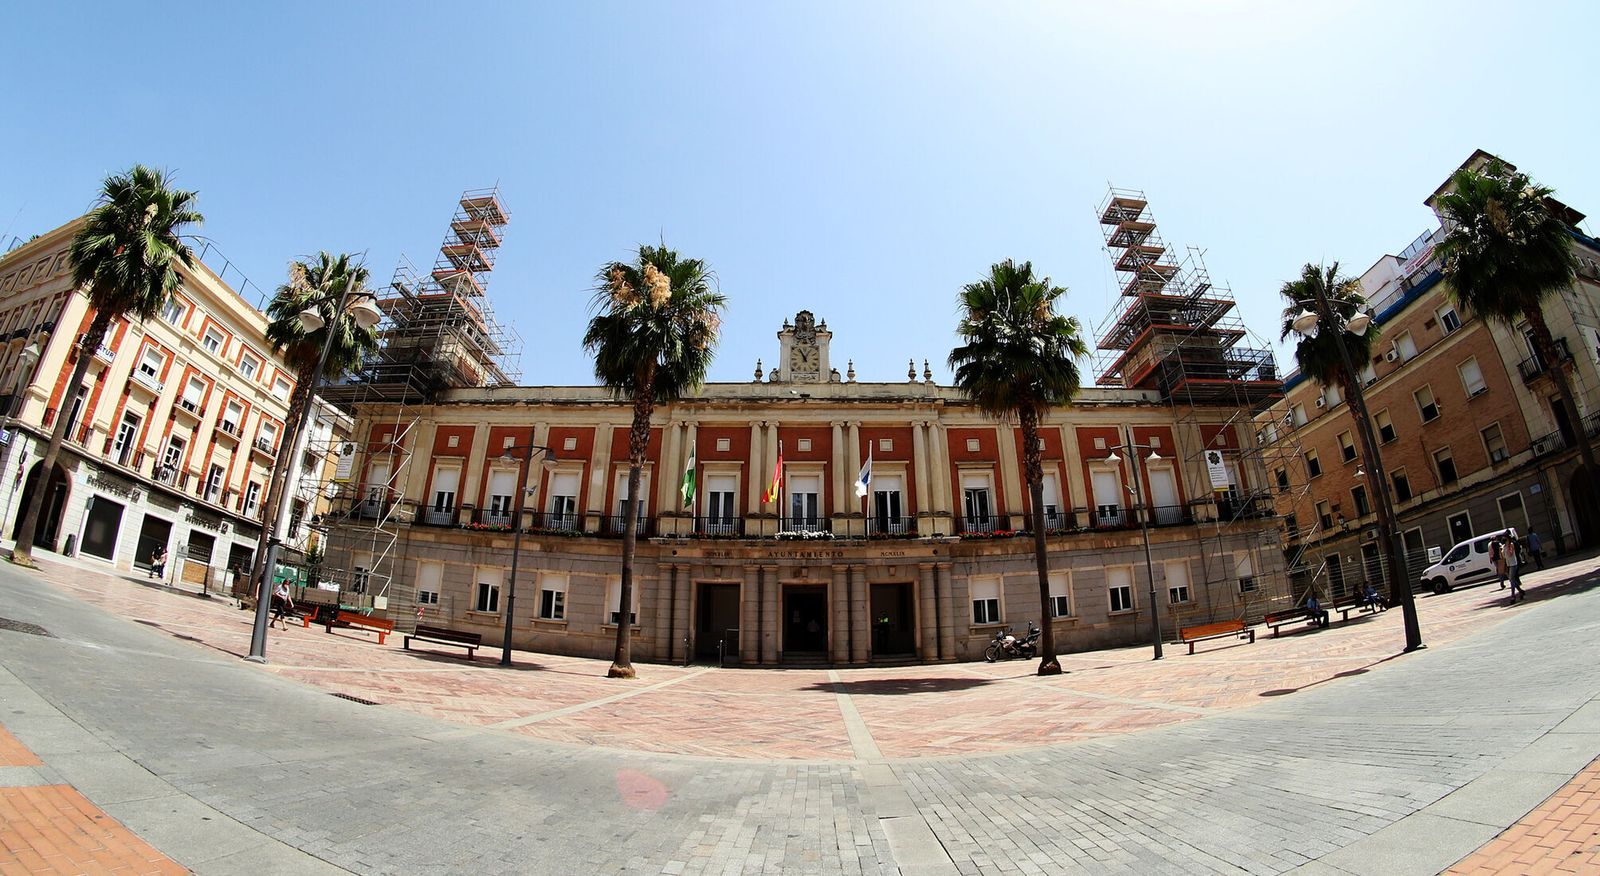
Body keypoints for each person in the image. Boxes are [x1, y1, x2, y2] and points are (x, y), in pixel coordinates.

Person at [1506, 535, 1525, 604]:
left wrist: (1508, 547)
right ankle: (1520, 591)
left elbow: (1510, 554)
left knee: (1511, 579)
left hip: (1513, 564)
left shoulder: (1511, 544)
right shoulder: (1505, 546)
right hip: (1509, 564)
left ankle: (1513, 596)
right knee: (1513, 579)